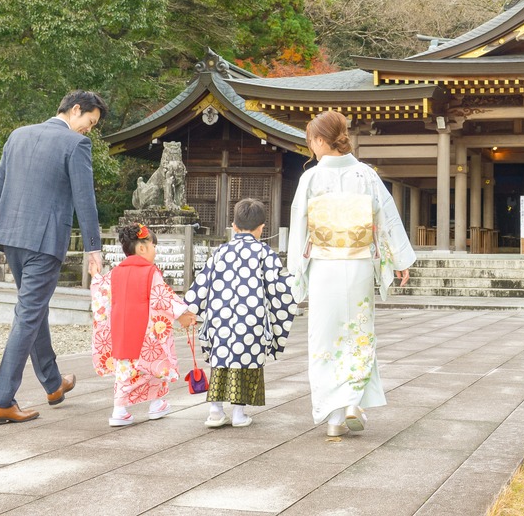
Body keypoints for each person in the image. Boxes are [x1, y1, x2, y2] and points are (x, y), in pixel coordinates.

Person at [0, 90, 108, 425]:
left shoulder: (18, 135)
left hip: (11, 237)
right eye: (90, 123)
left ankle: (53, 383)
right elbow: (85, 199)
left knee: (33, 310)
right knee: (28, 314)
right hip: (45, 241)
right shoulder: (75, 145)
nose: (88, 130)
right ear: (76, 110)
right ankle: (0, 400)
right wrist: (94, 248)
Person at [287, 110, 416, 438]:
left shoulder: (311, 179)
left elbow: (300, 225)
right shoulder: (366, 175)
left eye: (310, 141)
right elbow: (387, 216)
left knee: (325, 338)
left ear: (319, 140)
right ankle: (352, 402)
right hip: (357, 264)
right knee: (358, 334)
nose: (310, 148)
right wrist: (399, 259)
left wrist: (295, 272)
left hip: (324, 266)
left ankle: (334, 416)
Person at [184, 198, 297, 429]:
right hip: (251, 319)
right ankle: (238, 413)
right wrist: (300, 285)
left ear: (233, 226)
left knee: (220, 360)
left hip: (219, 317)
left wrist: (188, 309)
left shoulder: (220, 252)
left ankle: (215, 410)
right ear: (262, 227)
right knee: (245, 361)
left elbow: (202, 283)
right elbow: (279, 288)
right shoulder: (265, 252)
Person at [90, 224, 197, 426]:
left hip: (122, 334)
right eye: (153, 246)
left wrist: (96, 276)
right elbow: (162, 297)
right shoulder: (150, 272)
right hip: (146, 334)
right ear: (141, 248)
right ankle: (156, 405)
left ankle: (119, 411)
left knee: (125, 372)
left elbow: (101, 297)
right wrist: (182, 313)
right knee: (154, 365)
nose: (155, 250)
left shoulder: (114, 273)